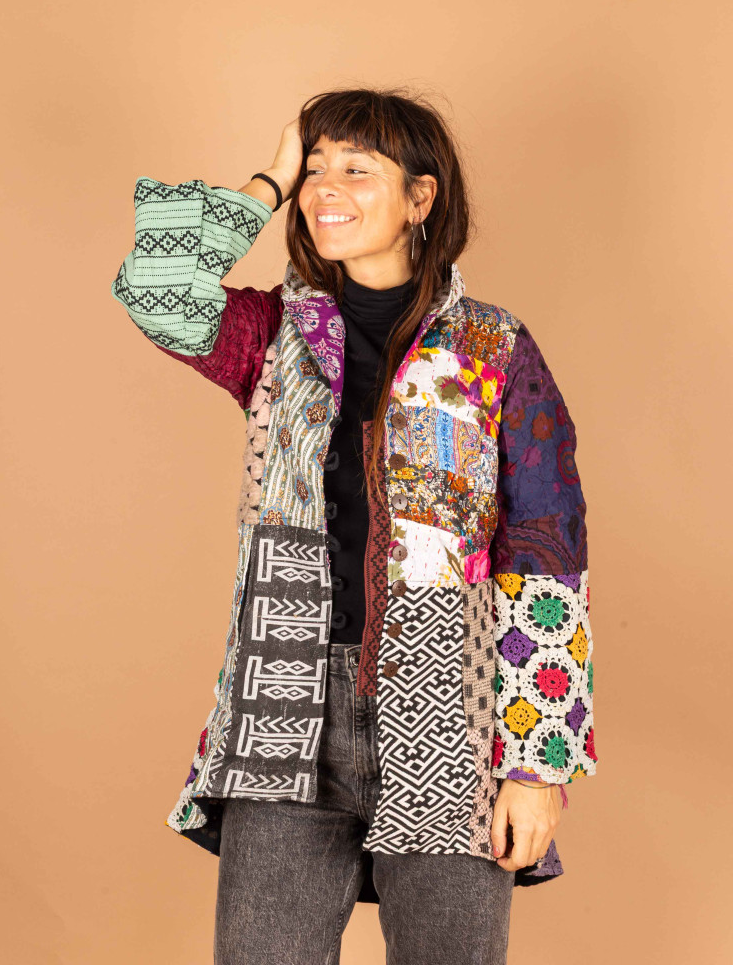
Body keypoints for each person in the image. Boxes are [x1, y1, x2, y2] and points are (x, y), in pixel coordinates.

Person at [111, 87, 597, 965]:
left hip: (452, 713)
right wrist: (271, 177)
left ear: (420, 196)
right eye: (316, 168)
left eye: (356, 169)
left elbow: (546, 553)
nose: (324, 188)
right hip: (283, 706)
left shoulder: (494, 349)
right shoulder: (273, 335)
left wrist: (536, 766)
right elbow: (157, 287)